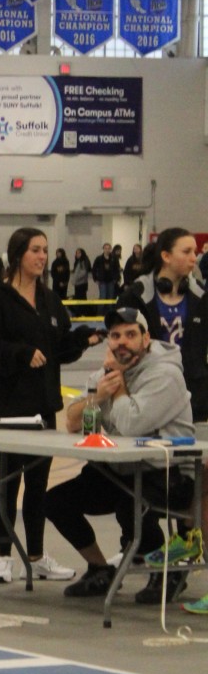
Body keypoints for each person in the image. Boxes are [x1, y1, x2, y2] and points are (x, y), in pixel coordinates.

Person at [0, 226, 101, 586]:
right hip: (3, 408)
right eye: (35, 250)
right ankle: (3, 558)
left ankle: (37, 557)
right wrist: (20, 354)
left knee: (37, 485)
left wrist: (83, 340)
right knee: (7, 484)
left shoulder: (49, 300)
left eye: (45, 250)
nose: (42, 257)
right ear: (18, 255)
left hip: (41, 406)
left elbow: (57, 349)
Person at [46, 306, 196, 602]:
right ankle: (100, 569)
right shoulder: (104, 375)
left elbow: (130, 427)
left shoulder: (165, 374)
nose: (122, 342)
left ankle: (168, 572)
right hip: (121, 469)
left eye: (130, 335)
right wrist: (98, 395)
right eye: (115, 336)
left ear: (146, 339)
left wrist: (117, 385)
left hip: (168, 473)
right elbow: (73, 421)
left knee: (132, 508)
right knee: (56, 501)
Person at [117, 228, 208, 595]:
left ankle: (183, 554)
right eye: (187, 251)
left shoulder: (200, 296)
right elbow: (121, 340)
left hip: (194, 403)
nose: (194, 257)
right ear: (166, 256)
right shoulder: (137, 295)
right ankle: (146, 553)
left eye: (196, 251)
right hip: (149, 399)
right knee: (139, 481)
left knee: (194, 483)